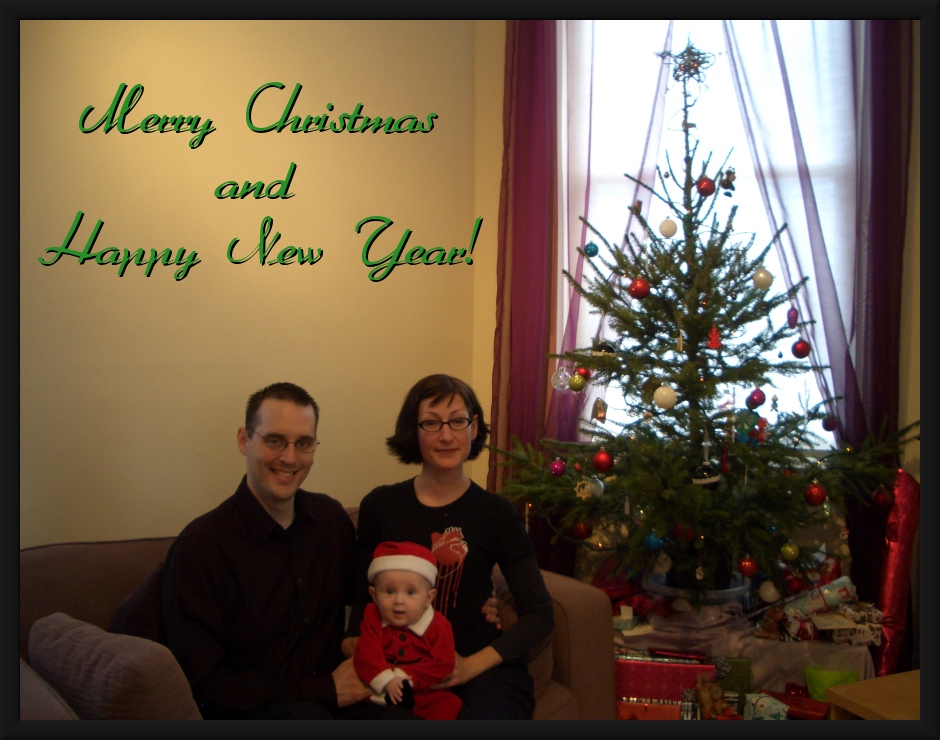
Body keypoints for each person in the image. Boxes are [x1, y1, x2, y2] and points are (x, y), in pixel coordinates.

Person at [161, 381, 416, 720]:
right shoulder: (201, 548)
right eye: (275, 440)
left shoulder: (330, 521)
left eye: (304, 443)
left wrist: (481, 606)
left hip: (339, 700)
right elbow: (205, 684)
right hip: (253, 711)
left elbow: (374, 593)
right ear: (244, 440)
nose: (290, 457)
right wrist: (324, 690)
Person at [343, 374, 555, 719]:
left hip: (481, 669)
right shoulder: (380, 506)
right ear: (414, 430)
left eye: (457, 421)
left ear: (473, 428)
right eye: (431, 423)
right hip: (398, 670)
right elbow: (361, 606)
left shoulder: (497, 513)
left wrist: (470, 666)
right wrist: (363, 656)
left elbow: (540, 615)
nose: (446, 435)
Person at [353, 541, 462, 720]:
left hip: (424, 692)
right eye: (389, 591)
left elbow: (443, 663)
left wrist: (405, 678)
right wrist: (386, 679)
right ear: (374, 595)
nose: (399, 600)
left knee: (449, 705)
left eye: (410, 592)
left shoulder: (438, 625)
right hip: (379, 688)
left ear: (429, 597)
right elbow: (366, 653)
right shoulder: (372, 615)